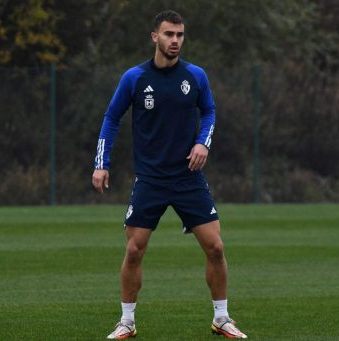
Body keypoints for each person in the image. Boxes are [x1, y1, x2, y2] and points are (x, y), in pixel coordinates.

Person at [92, 10, 248, 340]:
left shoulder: (196, 76)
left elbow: (208, 112)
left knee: (216, 248)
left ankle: (221, 317)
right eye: (168, 35)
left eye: (179, 35)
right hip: (150, 180)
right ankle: (127, 322)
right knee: (134, 251)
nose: (175, 41)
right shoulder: (134, 78)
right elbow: (111, 118)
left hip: (188, 179)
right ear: (155, 37)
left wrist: (202, 143)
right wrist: (101, 163)